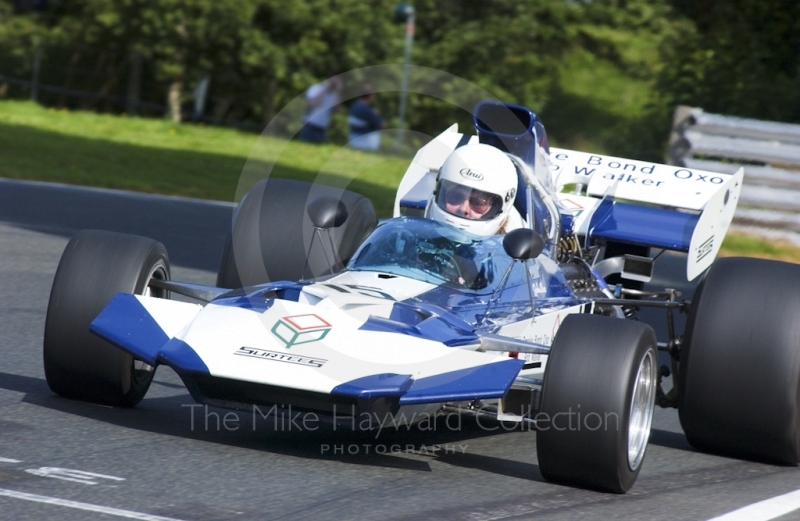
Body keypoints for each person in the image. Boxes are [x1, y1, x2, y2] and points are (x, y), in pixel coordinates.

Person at [427, 143, 525, 237]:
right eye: (456, 196)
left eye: (478, 203)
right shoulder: (424, 218)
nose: (463, 209)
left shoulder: (513, 248)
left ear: (498, 207)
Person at [299, 77, 342, 143]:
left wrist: (337, 91)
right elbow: (312, 104)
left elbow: (337, 111)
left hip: (322, 128)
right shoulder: (316, 88)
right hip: (309, 125)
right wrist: (324, 89)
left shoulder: (334, 95)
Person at [348, 85, 386, 151]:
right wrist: (376, 115)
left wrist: (372, 113)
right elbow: (382, 125)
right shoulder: (367, 111)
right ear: (371, 96)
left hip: (353, 139)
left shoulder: (354, 106)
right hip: (366, 143)